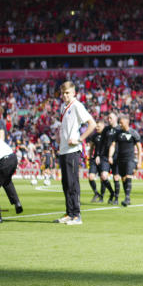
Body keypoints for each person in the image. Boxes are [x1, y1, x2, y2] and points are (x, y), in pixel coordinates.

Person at [55, 81, 94, 225]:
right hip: (64, 149)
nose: (65, 96)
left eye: (68, 93)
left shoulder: (77, 105)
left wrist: (79, 139)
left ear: (74, 93)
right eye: (63, 93)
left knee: (72, 183)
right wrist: (59, 136)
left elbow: (92, 124)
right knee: (65, 183)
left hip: (73, 150)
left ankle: (77, 215)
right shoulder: (63, 107)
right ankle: (69, 212)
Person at [110, 115, 142, 206]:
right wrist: (110, 156)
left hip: (130, 159)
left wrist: (139, 161)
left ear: (127, 123)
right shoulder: (117, 133)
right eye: (119, 122)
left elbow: (139, 147)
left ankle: (127, 198)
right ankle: (126, 197)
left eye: (121, 123)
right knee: (123, 178)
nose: (120, 124)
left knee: (128, 176)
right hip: (120, 159)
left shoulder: (133, 133)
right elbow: (113, 145)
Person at [98, 113, 120, 204]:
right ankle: (112, 193)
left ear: (116, 118)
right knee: (103, 176)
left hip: (117, 156)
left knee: (116, 177)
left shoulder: (119, 129)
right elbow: (101, 143)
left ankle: (116, 198)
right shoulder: (105, 129)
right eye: (108, 118)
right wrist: (98, 155)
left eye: (111, 118)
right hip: (105, 156)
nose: (109, 120)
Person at [87, 120, 106, 202]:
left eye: (98, 126)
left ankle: (101, 197)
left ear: (103, 126)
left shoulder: (107, 136)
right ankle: (96, 193)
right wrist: (90, 156)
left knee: (103, 178)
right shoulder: (94, 136)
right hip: (95, 159)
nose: (96, 128)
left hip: (103, 159)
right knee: (91, 177)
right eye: (96, 126)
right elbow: (91, 147)